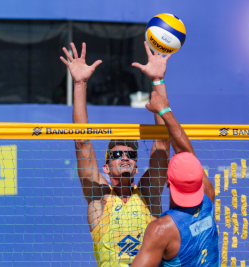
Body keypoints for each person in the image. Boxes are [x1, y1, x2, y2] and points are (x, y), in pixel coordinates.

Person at [60, 41, 171, 267]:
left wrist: (157, 81)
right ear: (106, 168)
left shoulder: (148, 196)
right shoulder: (98, 198)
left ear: (137, 167)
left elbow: (162, 143)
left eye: (130, 155)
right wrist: (80, 83)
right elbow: (82, 143)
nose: (124, 157)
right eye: (117, 154)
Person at [131, 90, 219, 267]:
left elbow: (186, 153)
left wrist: (163, 108)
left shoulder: (161, 230)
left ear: (168, 183)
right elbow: (187, 154)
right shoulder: (208, 197)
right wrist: (163, 106)